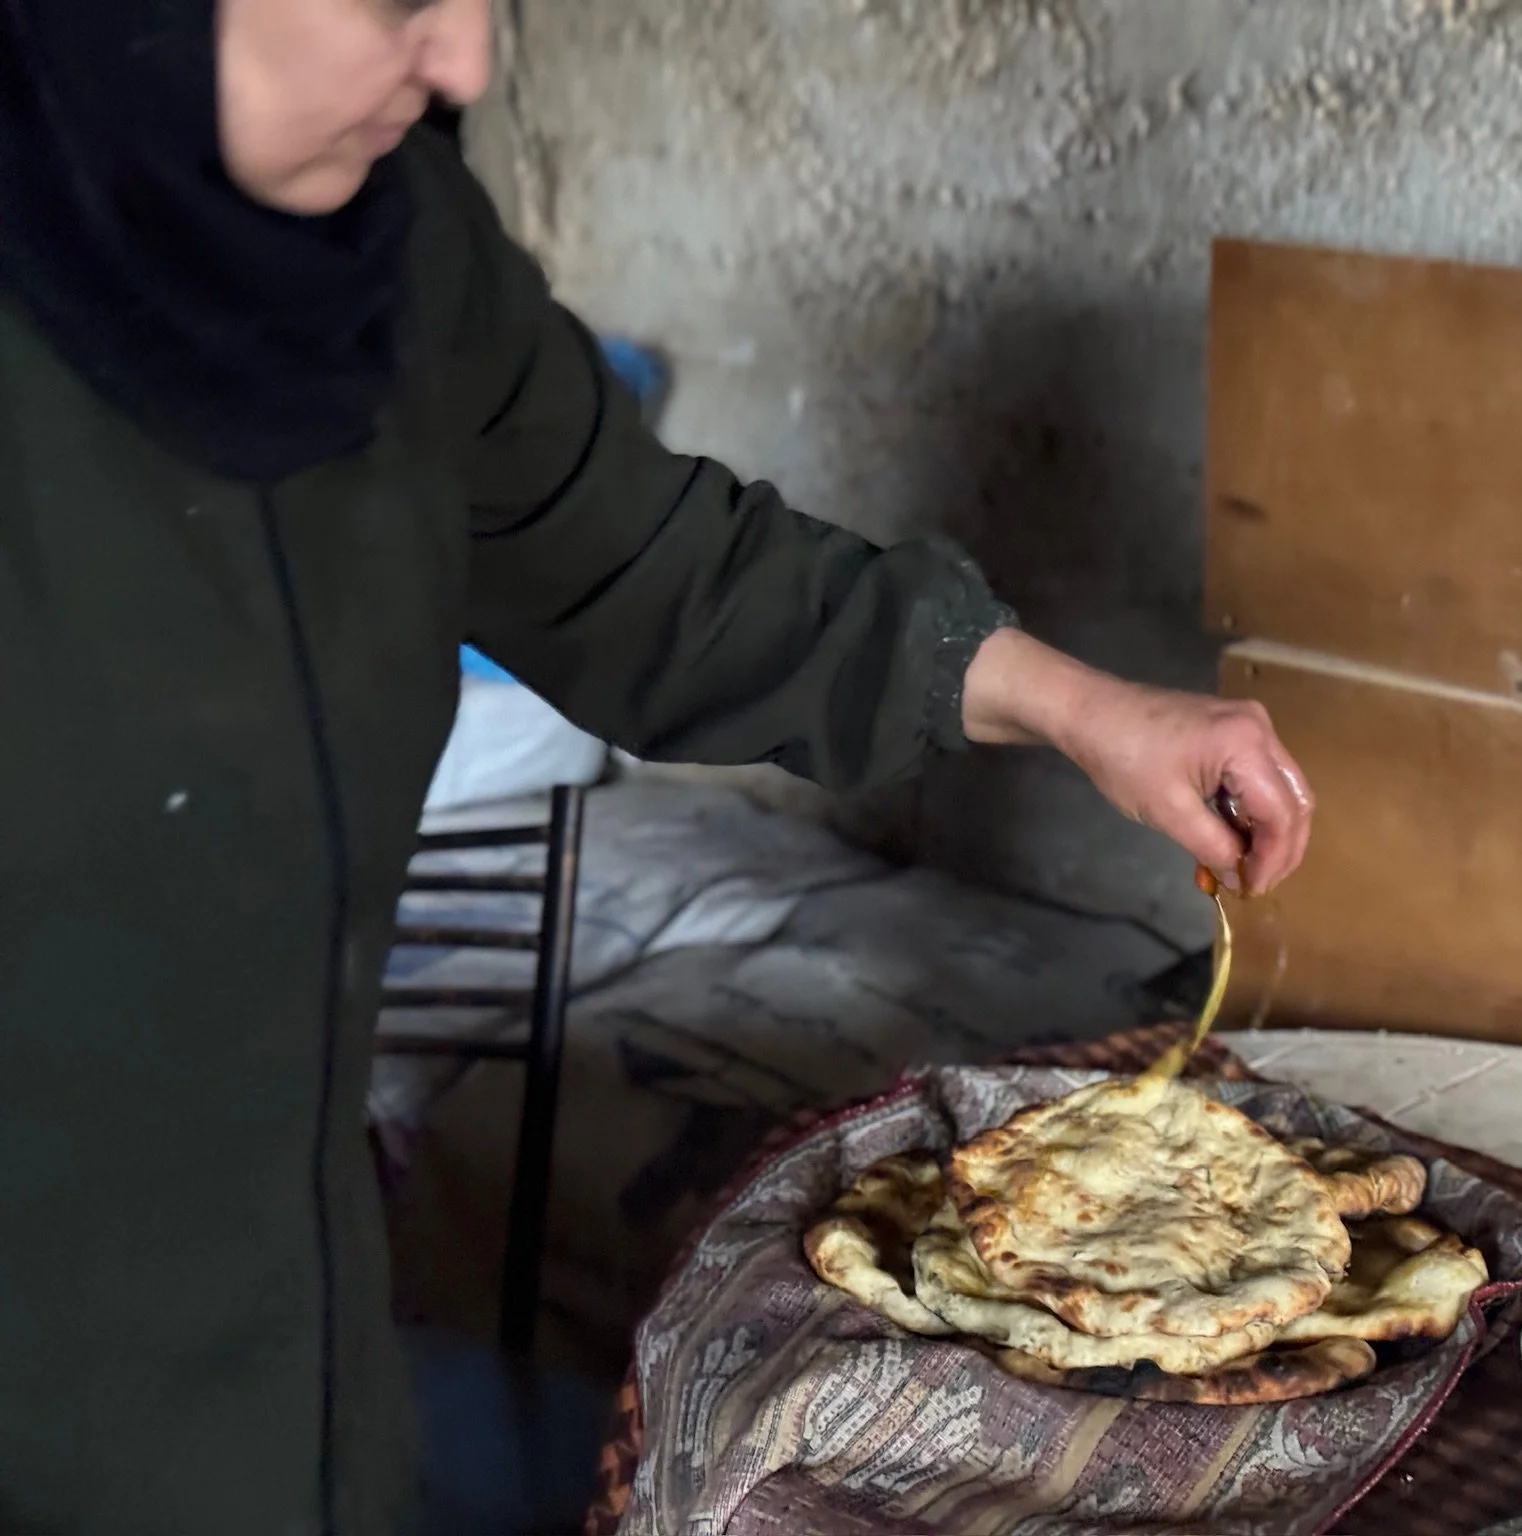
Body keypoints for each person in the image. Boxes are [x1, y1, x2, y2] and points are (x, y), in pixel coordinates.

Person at [0, 0, 1314, 1532]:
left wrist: (1085, 710)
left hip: (299, 1377)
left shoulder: (398, 254)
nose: (466, 63)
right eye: (393, 1)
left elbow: (646, 566)